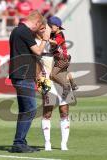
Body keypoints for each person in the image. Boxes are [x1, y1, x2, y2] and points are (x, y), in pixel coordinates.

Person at [9, 10, 51, 153]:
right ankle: (19, 143)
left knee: (25, 110)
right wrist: (45, 38)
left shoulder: (17, 31)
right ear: (36, 22)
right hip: (23, 76)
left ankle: (20, 142)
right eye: (39, 27)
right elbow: (38, 51)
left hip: (20, 75)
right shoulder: (25, 31)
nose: (39, 30)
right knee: (31, 109)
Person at [35, 22, 76, 151]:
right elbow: (35, 61)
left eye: (47, 28)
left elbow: (64, 60)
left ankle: (64, 144)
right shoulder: (37, 42)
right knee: (47, 112)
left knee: (64, 111)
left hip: (60, 77)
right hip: (45, 79)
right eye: (44, 28)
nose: (45, 30)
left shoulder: (58, 39)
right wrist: (38, 79)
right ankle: (47, 143)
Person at [48, 16, 78, 98]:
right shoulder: (53, 33)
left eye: (51, 26)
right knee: (65, 72)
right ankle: (73, 84)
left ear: (57, 26)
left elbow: (55, 42)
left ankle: (66, 86)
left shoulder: (59, 34)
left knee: (52, 75)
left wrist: (47, 39)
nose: (50, 27)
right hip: (62, 58)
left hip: (62, 58)